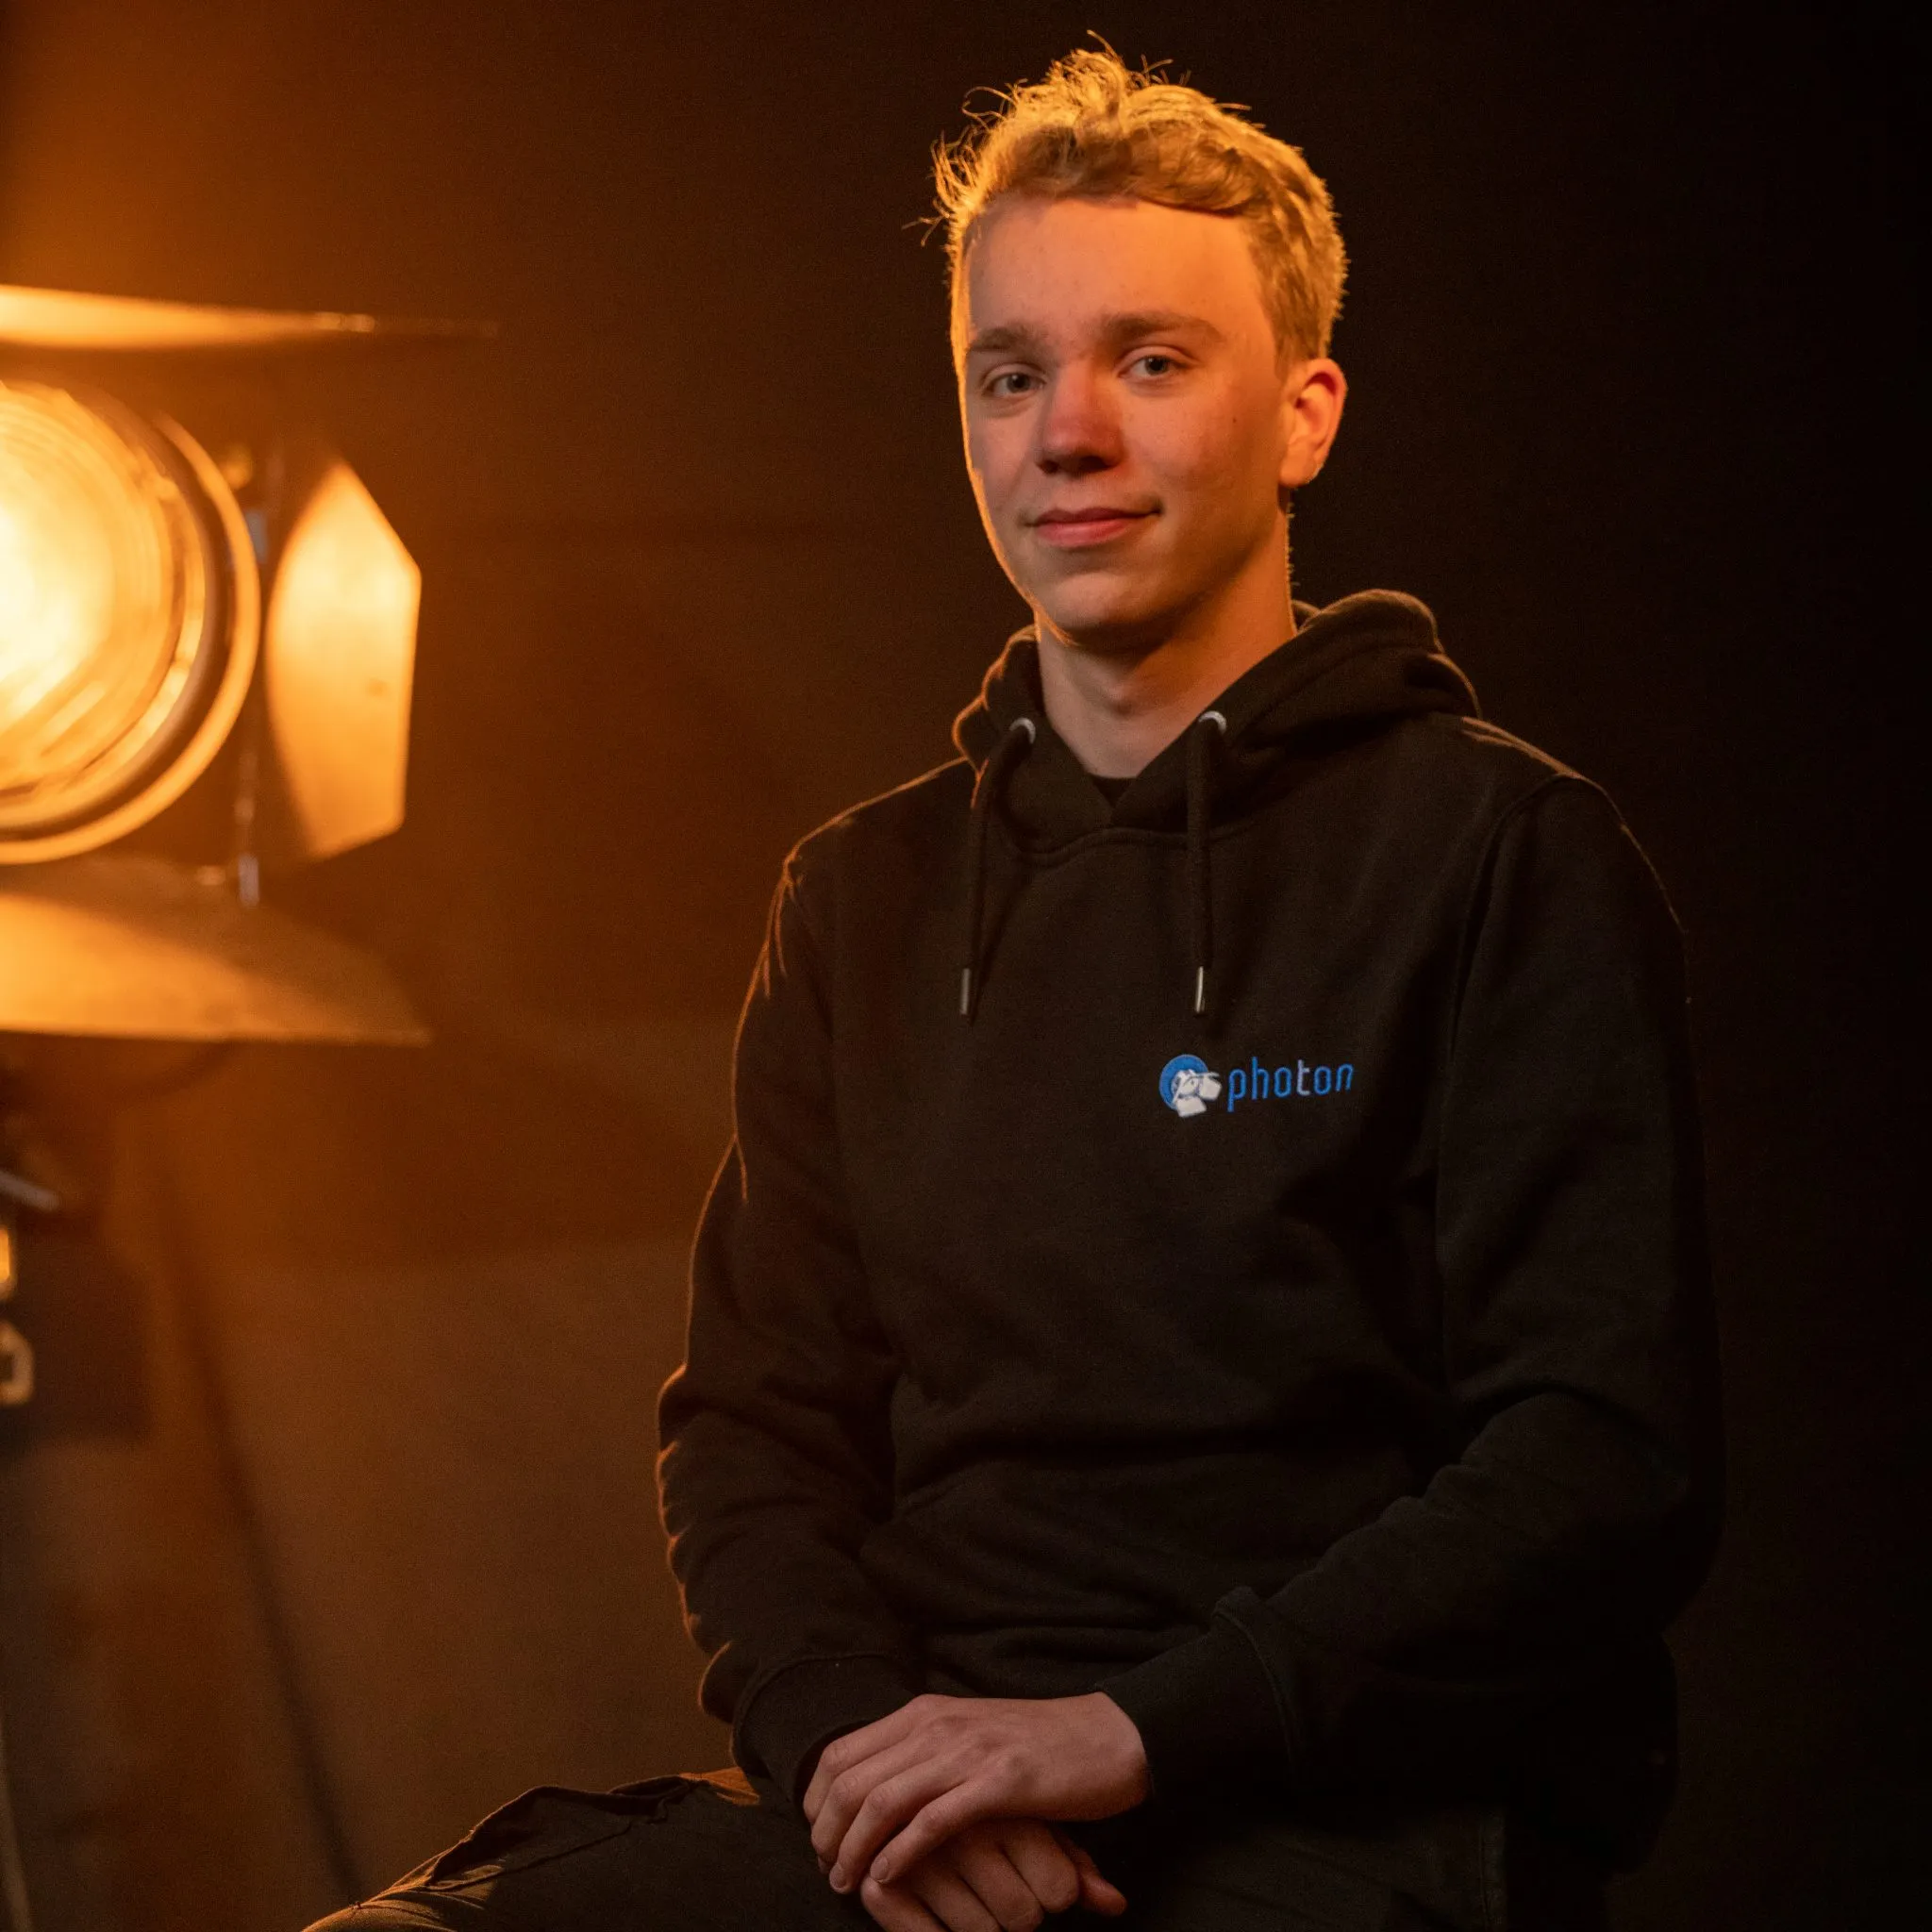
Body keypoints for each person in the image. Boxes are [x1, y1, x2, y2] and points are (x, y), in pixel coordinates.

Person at [312, 45, 1720, 1932]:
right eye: (1009, 371)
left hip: (1352, 1818)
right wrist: (863, 1766)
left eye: (1149, 361)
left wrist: (1126, 1731)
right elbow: (756, 1426)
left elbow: (1597, 1463)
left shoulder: (1499, 856)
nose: (1066, 432)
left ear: (1303, 415)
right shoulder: (864, 897)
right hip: (935, 1797)